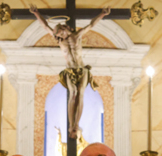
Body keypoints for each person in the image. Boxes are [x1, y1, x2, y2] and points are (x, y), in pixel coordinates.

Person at [29, 4, 110, 138]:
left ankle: (76, 124)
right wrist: (36, 13)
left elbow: (91, 25)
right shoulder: (61, 41)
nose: (59, 36)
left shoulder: (77, 36)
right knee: (73, 93)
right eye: (57, 34)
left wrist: (102, 14)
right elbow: (45, 27)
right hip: (69, 71)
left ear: (65, 29)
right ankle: (71, 125)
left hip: (82, 70)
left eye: (60, 33)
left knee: (81, 94)